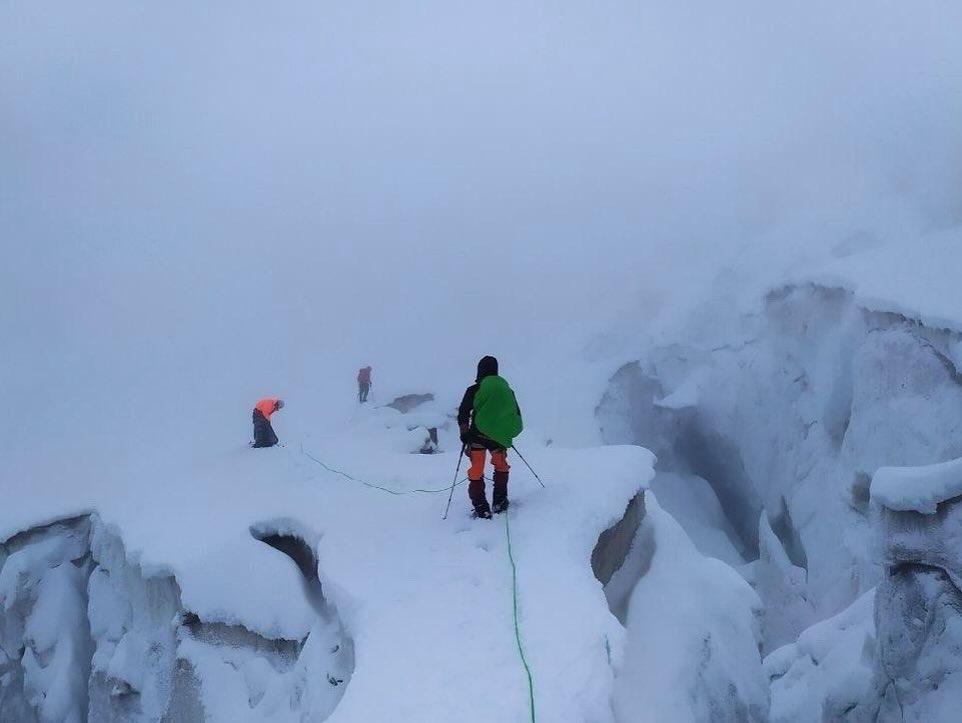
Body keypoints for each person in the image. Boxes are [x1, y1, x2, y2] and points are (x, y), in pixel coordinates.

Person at [457, 356, 523, 518]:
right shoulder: (507, 391)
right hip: (497, 437)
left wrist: (464, 433)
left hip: (477, 435)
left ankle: (481, 507)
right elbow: (515, 414)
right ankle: (500, 501)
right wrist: (507, 432)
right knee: (501, 466)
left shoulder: (474, 390)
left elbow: (463, 413)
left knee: (476, 469)